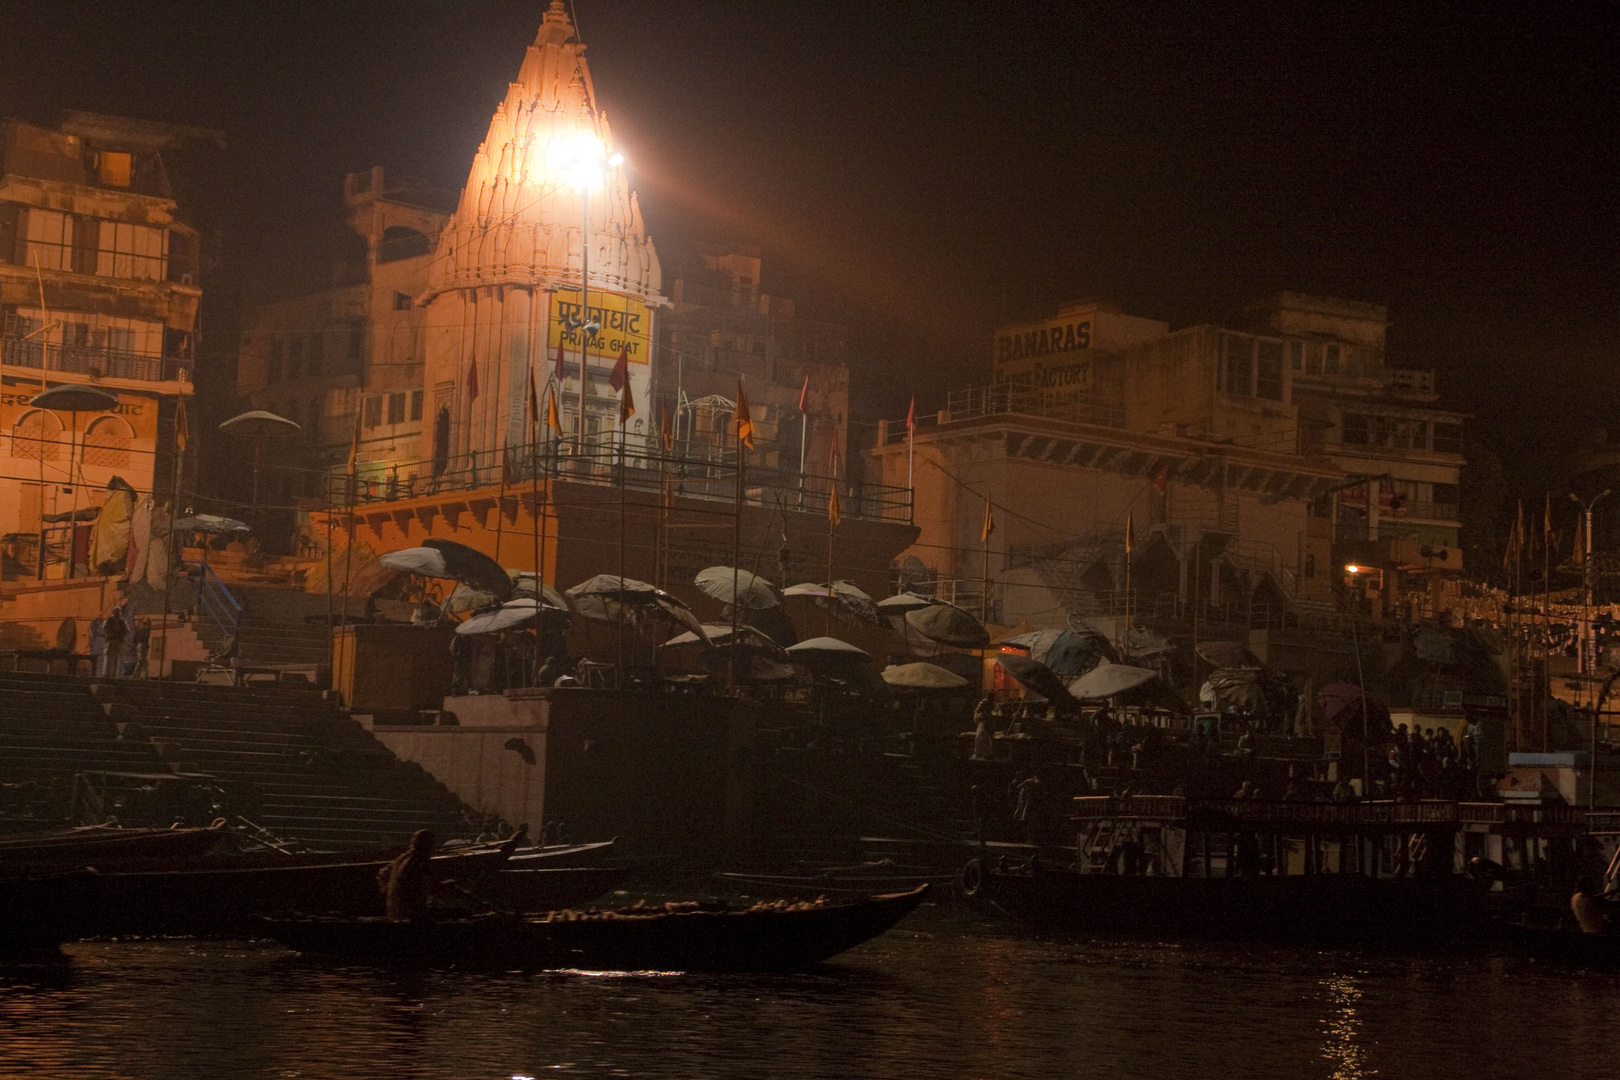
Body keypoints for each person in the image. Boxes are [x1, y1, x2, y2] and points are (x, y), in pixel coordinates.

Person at [378, 829, 437, 921]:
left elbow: (384, 874)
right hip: (408, 913)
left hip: (396, 910)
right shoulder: (417, 861)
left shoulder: (403, 858)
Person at [101, 606, 127, 678]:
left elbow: (126, 630)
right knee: (108, 656)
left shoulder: (121, 621)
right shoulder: (110, 619)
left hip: (117, 641)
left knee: (115, 657)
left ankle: (113, 674)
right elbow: (105, 628)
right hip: (110, 640)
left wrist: (120, 635)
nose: (117, 614)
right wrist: (111, 634)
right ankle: (106, 673)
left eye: (118, 612)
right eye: (116, 612)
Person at [971, 692, 995, 761]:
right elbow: (978, 711)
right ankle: (982, 752)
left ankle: (985, 752)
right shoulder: (984, 703)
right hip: (984, 721)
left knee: (986, 736)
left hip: (986, 721)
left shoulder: (987, 703)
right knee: (982, 736)